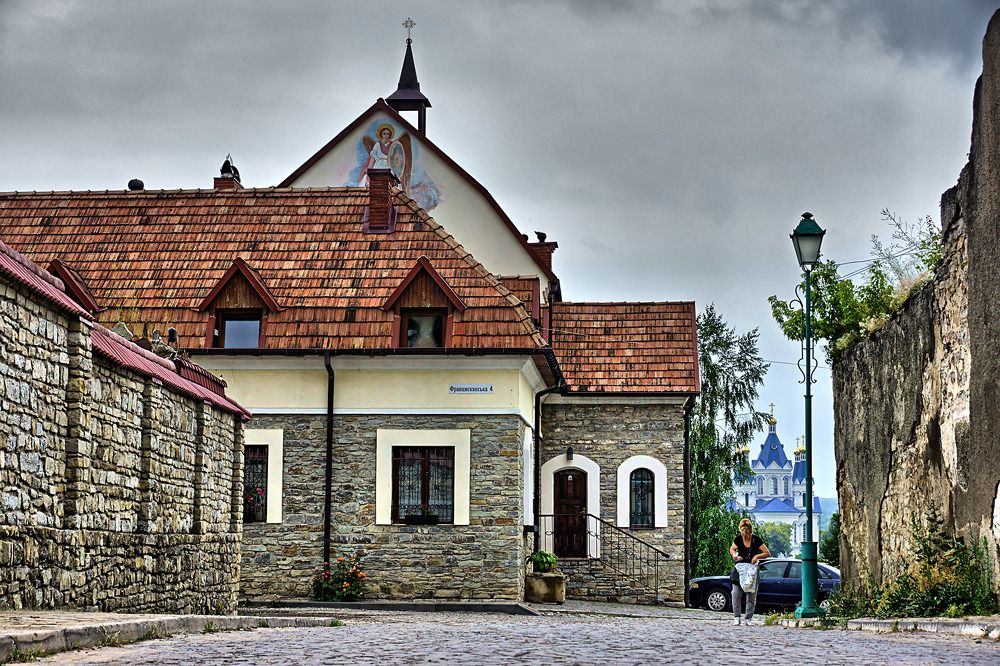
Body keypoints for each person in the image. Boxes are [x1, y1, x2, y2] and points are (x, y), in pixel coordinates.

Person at [729, 518, 770, 626]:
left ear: (750, 530)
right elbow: (732, 549)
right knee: (736, 594)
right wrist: (734, 555)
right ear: (740, 530)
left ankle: (748, 618)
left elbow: (766, 552)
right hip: (740, 569)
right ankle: (737, 617)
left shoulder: (756, 540)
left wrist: (757, 556)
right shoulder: (738, 539)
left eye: (746, 532)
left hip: (752, 570)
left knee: (751, 595)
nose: (744, 535)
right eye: (742, 532)